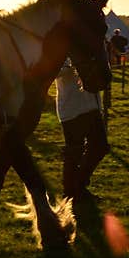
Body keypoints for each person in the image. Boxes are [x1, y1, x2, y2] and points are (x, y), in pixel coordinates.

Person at [54, 60, 109, 202]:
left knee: (100, 147)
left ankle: (78, 186)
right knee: (74, 152)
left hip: (92, 105)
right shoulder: (60, 48)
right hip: (71, 106)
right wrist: (76, 66)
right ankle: (71, 191)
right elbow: (54, 71)